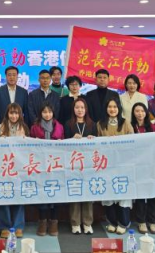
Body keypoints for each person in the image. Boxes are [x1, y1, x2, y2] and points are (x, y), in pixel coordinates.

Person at [97, 97, 134, 235]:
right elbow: (97, 143)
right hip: (106, 164)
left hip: (123, 164)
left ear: (119, 108)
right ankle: (112, 222)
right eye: (109, 107)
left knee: (122, 192)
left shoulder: (125, 123)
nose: (112, 109)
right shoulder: (100, 124)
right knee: (109, 193)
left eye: (115, 107)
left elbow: (133, 141)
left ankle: (123, 222)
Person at [0, 103, 29, 239]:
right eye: (11, 113)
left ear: (20, 115)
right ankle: (5, 226)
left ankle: (18, 226)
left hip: (19, 168)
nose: (14, 116)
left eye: (16, 113)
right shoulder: (0, 128)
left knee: (19, 195)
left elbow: (29, 148)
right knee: (4, 194)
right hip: (3, 167)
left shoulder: (24, 128)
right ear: (7, 114)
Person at [30, 102, 64, 237]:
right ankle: (42, 221)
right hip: (40, 166)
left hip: (56, 166)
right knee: (42, 193)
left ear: (53, 113)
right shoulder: (34, 127)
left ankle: (54, 222)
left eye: (49, 112)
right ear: (40, 113)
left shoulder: (60, 127)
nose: (47, 114)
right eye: (44, 112)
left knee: (55, 192)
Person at [64, 98, 96, 235]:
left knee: (87, 192)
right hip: (73, 164)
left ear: (86, 109)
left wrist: (92, 139)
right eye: (77, 107)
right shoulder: (68, 124)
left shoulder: (92, 124)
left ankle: (87, 223)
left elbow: (98, 144)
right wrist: (72, 138)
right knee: (75, 191)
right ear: (73, 109)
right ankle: (75, 223)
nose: (80, 110)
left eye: (82, 107)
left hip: (88, 164)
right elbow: (64, 143)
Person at [130, 103, 155, 234]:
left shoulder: (152, 127)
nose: (140, 113)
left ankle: (152, 221)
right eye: (137, 111)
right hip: (136, 165)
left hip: (151, 164)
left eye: (142, 111)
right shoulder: (130, 126)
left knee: (152, 192)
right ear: (133, 113)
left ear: (146, 113)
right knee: (140, 194)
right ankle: (141, 221)